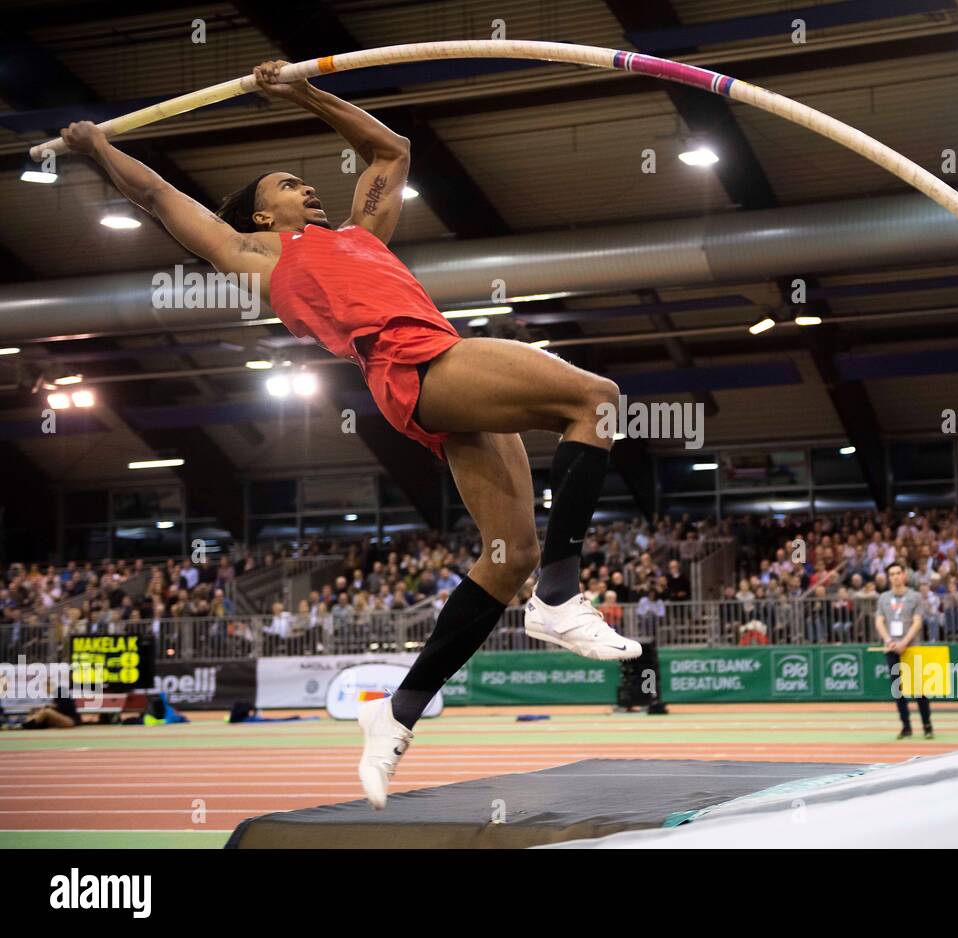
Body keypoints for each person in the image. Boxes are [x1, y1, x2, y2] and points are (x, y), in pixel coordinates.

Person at [57, 59, 641, 810]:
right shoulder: (257, 256)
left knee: (508, 558)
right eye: (285, 185)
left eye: (303, 180)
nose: (305, 187)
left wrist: (303, 93)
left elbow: (391, 149)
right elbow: (158, 194)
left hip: (440, 374)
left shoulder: (364, 234)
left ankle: (394, 715)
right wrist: (96, 144)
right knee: (596, 398)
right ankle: (560, 600)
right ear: (262, 217)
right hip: (418, 366)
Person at [874, 562, 933, 740]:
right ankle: (906, 726)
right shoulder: (883, 598)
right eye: (892, 574)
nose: (895, 576)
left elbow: (917, 622)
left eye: (898, 573)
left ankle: (927, 725)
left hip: (912, 648)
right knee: (897, 689)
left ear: (904, 575)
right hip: (891, 648)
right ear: (889, 577)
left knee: (918, 689)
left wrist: (905, 642)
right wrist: (889, 640)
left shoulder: (914, 597)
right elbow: (879, 621)